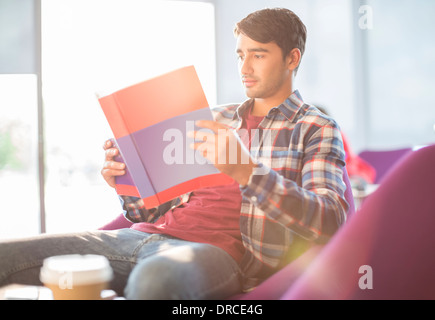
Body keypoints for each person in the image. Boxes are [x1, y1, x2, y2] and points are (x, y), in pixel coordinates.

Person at [0, 8, 349, 299]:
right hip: (139, 237)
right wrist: (127, 181)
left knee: (155, 282)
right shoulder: (215, 117)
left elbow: (331, 220)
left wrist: (248, 173)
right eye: (241, 55)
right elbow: (157, 207)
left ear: (292, 58)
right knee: (7, 255)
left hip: (215, 255)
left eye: (258, 55)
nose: (244, 68)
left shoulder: (315, 127)